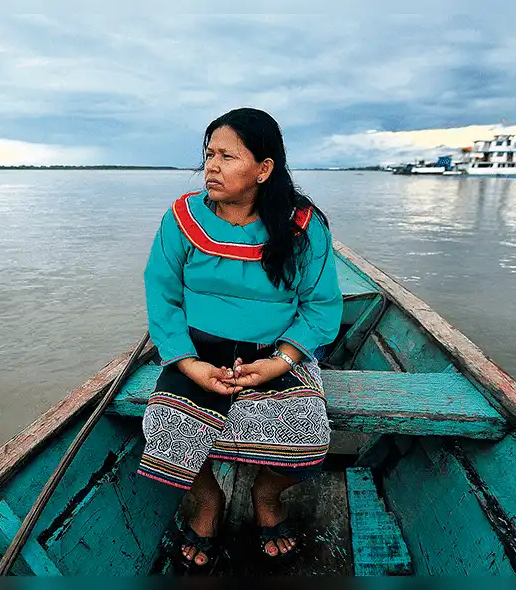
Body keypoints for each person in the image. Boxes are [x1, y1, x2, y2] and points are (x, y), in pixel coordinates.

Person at [138, 107, 343, 572]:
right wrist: (188, 364)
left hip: (276, 352)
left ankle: (265, 495)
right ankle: (207, 500)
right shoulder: (181, 218)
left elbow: (320, 307)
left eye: (227, 156)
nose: (211, 166)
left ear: (263, 169)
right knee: (165, 428)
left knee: (308, 436)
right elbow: (163, 298)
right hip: (197, 352)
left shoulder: (304, 228)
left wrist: (282, 361)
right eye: (209, 154)